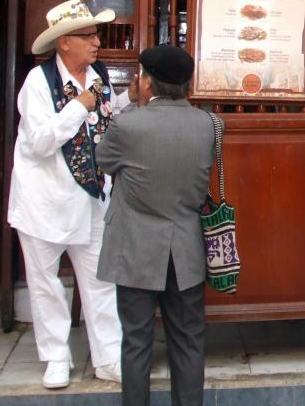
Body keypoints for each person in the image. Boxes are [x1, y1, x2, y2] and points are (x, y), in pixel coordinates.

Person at [7, 0, 136, 389]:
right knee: (45, 284)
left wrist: (128, 99)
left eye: (95, 35)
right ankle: (56, 357)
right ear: (64, 42)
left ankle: (108, 359)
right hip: (44, 202)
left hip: (92, 200)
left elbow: (106, 115)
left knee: (101, 282)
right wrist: (78, 106)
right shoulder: (38, 82)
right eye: (88, 35)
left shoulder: (97, 74)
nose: (97, 42)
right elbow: (40, 142)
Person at [97, 45, 216, 406]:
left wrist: (133, 105)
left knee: (136, 342)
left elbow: (104, 160)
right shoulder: (209, 124)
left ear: (147, 82)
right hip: (186, 250)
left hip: (135, 249)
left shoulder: (128, 124)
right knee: (189, 341)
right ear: (187, 84)